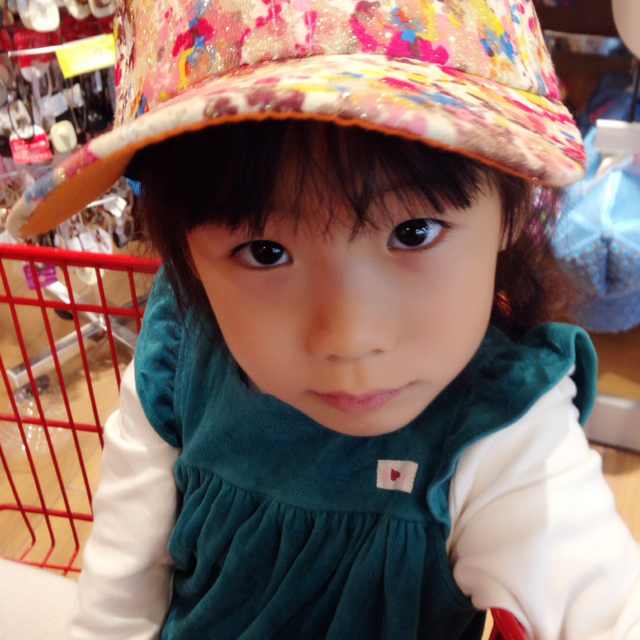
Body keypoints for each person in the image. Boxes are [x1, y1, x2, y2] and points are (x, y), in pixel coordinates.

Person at [6, 0, 640, 638]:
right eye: (264, 252)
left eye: (414, 232)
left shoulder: (503, 431)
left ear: (511, 213)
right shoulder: (180, 350)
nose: (349, 337)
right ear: (187, 257)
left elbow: (595, 597)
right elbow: (117, 601)